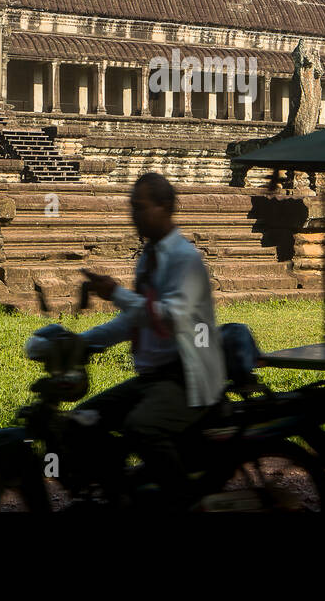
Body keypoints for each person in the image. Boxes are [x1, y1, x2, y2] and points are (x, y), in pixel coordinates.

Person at [75, 172, 225, 508]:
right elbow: (136, 319)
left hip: (188, 376)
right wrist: (85, 342)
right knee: (84, 419)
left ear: (166, 207)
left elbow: (169, 317)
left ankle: (183, 502)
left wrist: (116, 293)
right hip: (155, 378)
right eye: (131, 207)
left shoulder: (185, 259)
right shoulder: (150, 256)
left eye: (141, 208)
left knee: (142, 428)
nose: (134, 216)